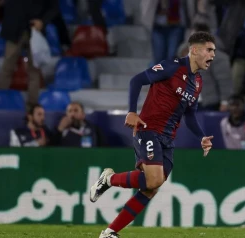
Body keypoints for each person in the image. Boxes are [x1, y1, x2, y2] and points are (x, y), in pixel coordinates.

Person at [89, 32, 215, 238]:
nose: (213, 55)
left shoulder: (198, 82)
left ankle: (109, 233)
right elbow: (137, 80)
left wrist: (201, 136)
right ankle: (109, 180)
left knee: (150, 188)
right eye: (209, 50)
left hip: (167, 138)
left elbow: (190, 115)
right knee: (153, 180)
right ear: (194, 50)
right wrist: (131, 111)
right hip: (149, 130)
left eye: (214, 51)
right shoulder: (172, 66)